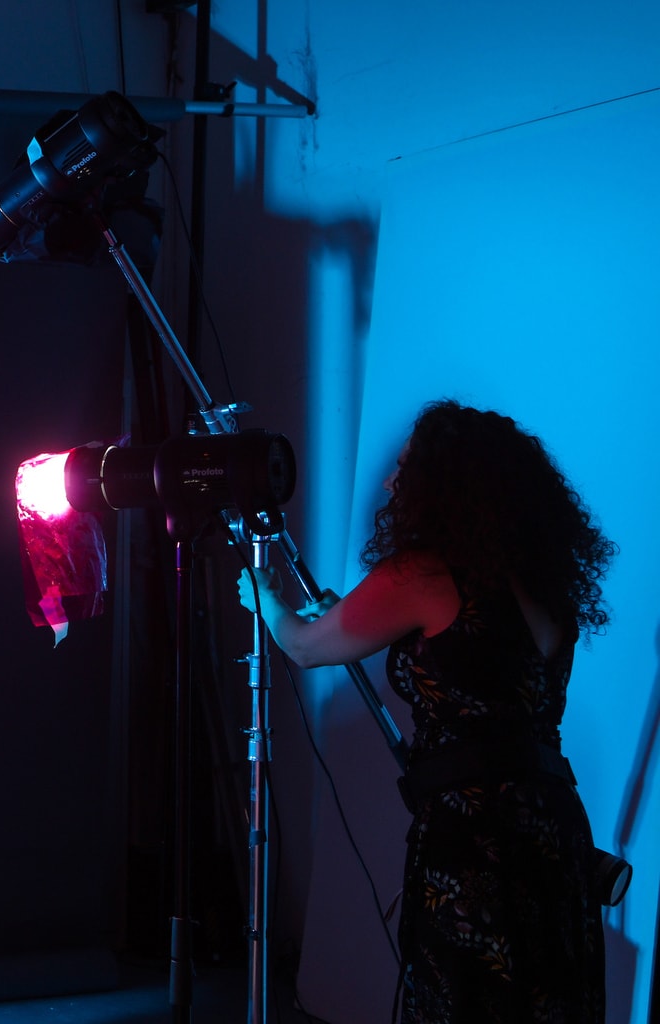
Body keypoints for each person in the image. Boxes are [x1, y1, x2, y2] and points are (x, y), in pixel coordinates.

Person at [237, 400, 613, 1022]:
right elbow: (481, 667)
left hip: (477, 838)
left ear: (445, 484)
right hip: (552, 831)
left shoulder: (423, 573)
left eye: (405, 467)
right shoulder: (540, 584)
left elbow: (303, 647)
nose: (391, 482)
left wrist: (265, 598)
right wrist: (348, 613)